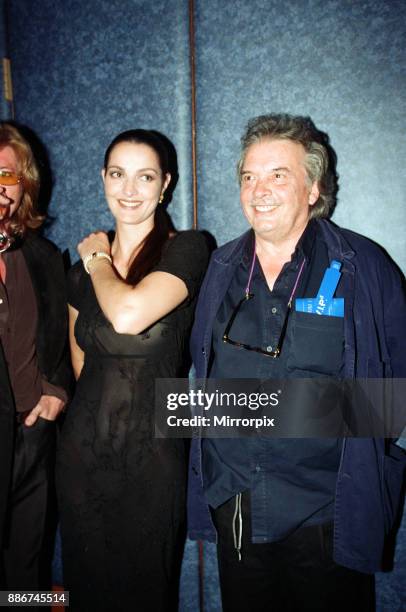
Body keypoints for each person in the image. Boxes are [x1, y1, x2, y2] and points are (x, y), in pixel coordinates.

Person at [188, 114, 406, 611]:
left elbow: (393, 399)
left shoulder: (364, 267)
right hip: (238, 502)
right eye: (249, 176)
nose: (258, 190)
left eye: (277, 175)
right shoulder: (220, 269)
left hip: (328, 512)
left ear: (313, 188)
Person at [57, 129, 210, 611]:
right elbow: (82, 367)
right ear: (103, 178)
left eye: (144, 177)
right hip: (82, 457)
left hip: (152, 460)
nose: (129, 189)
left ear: (165, 184)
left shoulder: (187, 249)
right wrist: (92, 263)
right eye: (118, 174)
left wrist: (98, 256)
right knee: (86, 589)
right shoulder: (78, 275)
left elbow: (129, 315)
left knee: (145, 593)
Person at [0, 122, 70, 591]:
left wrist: (56, 390)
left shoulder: (42, 255)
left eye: (6, 175)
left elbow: (60, 336)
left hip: (31, 439)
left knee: (27, 576)